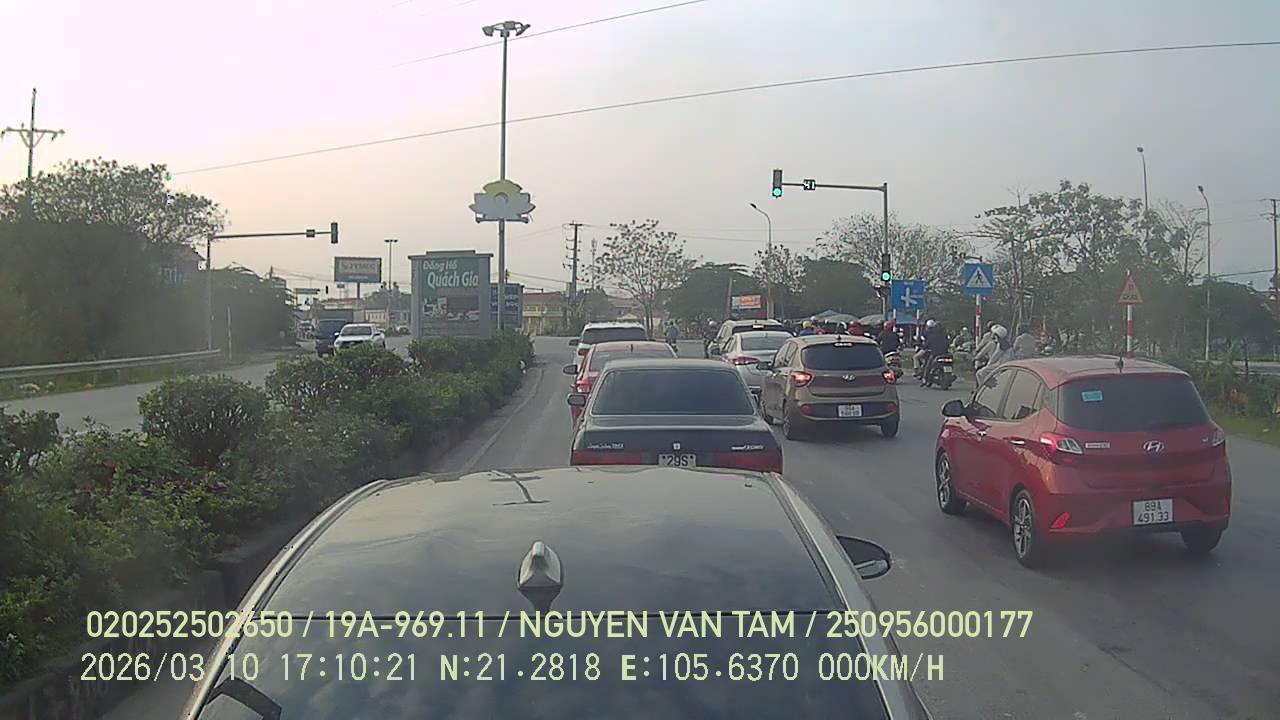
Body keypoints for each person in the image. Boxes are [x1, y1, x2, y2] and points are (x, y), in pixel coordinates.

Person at [918, 319, 950, 385]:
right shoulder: (944, 335)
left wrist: (924, 347)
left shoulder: (933, 335)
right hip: (945, 353)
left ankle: (924, 378)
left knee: (928, 365)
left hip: (935, 353)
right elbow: (947, 343)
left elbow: (928, 343)